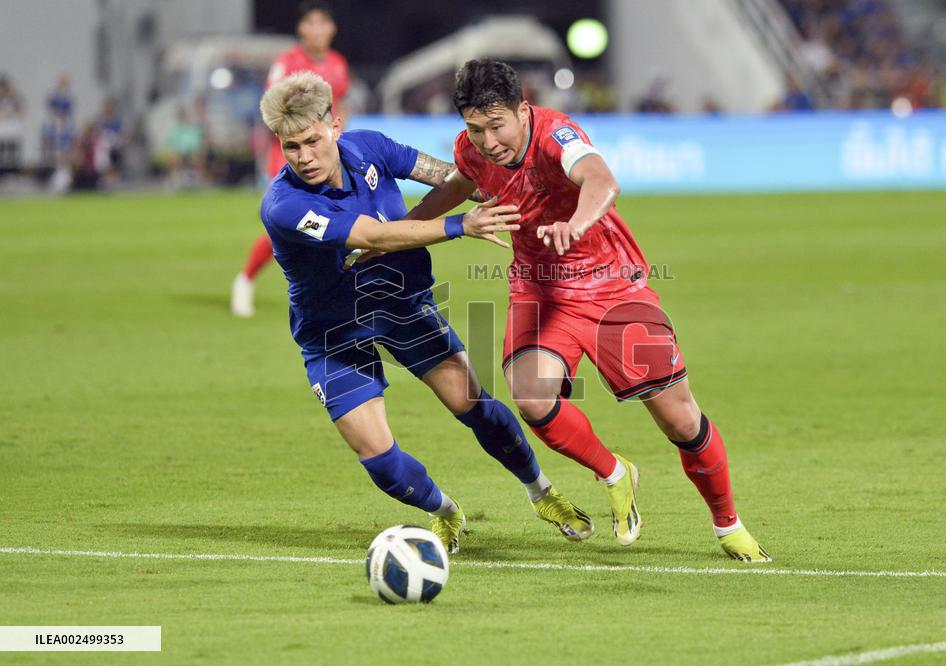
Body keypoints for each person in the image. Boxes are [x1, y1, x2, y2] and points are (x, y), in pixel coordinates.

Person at [407, 59, 770, 560]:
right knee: (532, 398)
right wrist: (400, 233)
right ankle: (615, 473)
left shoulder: (558, 135)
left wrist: (576, 222)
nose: (488, 140)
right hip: (539, 286)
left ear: (522, 109)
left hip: (610, 285)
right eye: (475, 128)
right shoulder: (470, 149)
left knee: (680, 422)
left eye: (497, 126)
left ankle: (728, 525)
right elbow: (458, 186)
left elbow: (602, 181)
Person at [257, 71, 594, 553]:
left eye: (312, 141)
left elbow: (444, 175)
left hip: (401, 307)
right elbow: (373, 237)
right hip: (331, 331)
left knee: (474, 406)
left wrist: (501, 186)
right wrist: (462, 225)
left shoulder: (369, 146)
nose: (304, 157)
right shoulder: (284, 206)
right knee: (377, 458)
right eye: (291, 148)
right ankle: (445, 511)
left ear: (335, 125)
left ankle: (543, 492)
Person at [232, 0, 352, 317]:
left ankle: (329, 293)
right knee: (288, 222)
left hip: (327, 154)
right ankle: (245, 281)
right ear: (301, 29)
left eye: (323, 24)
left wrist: (342, 142)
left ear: (333, 28)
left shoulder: (338, 64)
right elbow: (272, 110)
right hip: (288, 158)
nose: (317, 30)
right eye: (311, 24)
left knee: (329, 221)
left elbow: (339, 106)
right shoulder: (288, 63)